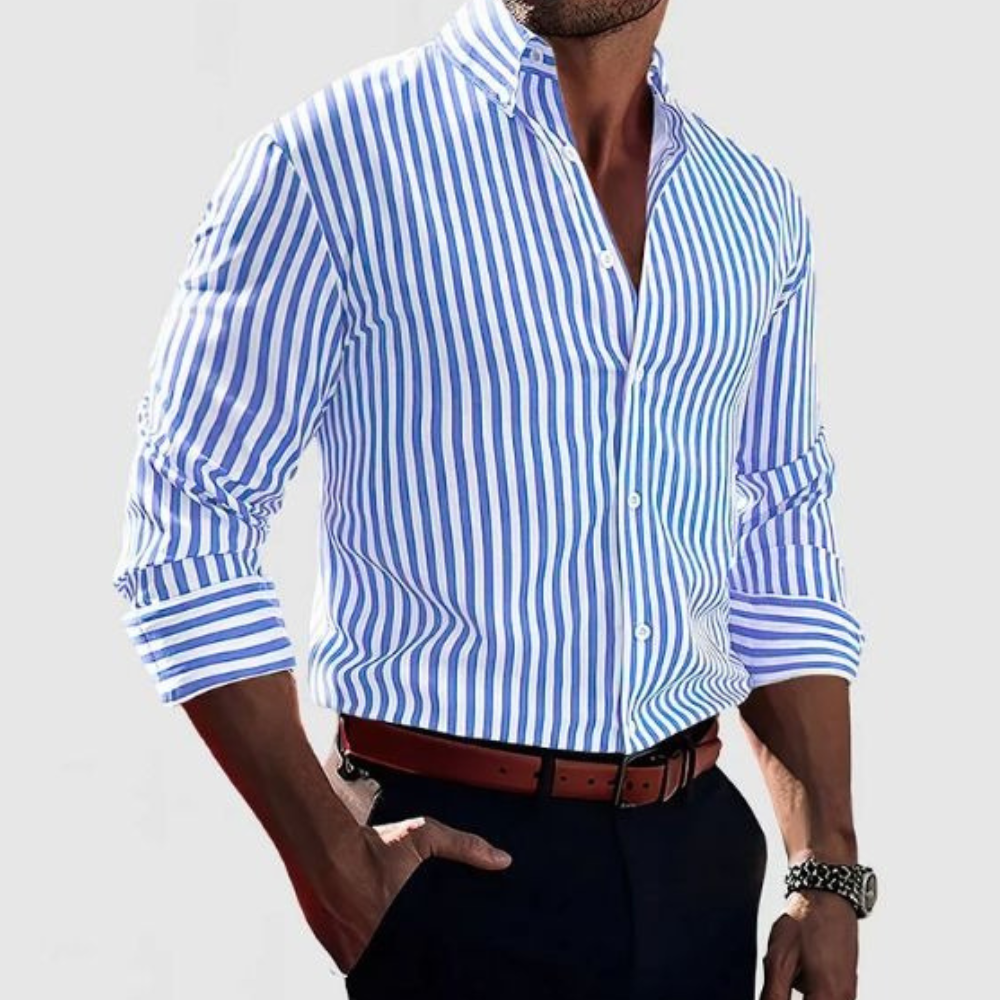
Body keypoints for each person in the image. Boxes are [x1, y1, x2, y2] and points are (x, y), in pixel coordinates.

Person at [112, 0, 878, 996]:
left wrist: (825, 868)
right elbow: (186, 519)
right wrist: (329, 863)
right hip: (454, 868)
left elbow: (781, 521)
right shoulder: (330, 161)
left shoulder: (752, 209)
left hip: (699, 862)